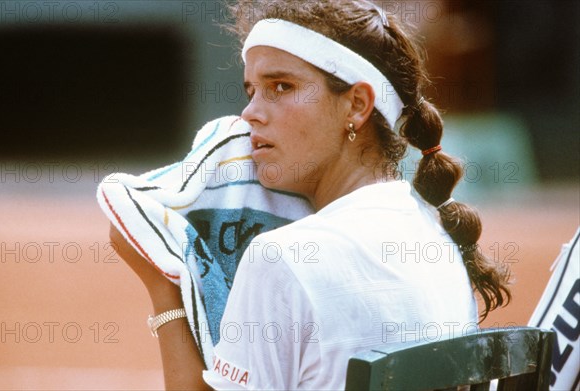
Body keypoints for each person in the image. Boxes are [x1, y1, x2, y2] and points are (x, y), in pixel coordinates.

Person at [110, 1, 511, 389]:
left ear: (356, 105)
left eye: (280, 86)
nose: (250, 112)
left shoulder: (281, 258)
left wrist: (165, 280)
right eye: (251, 89)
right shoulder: (439, 235)